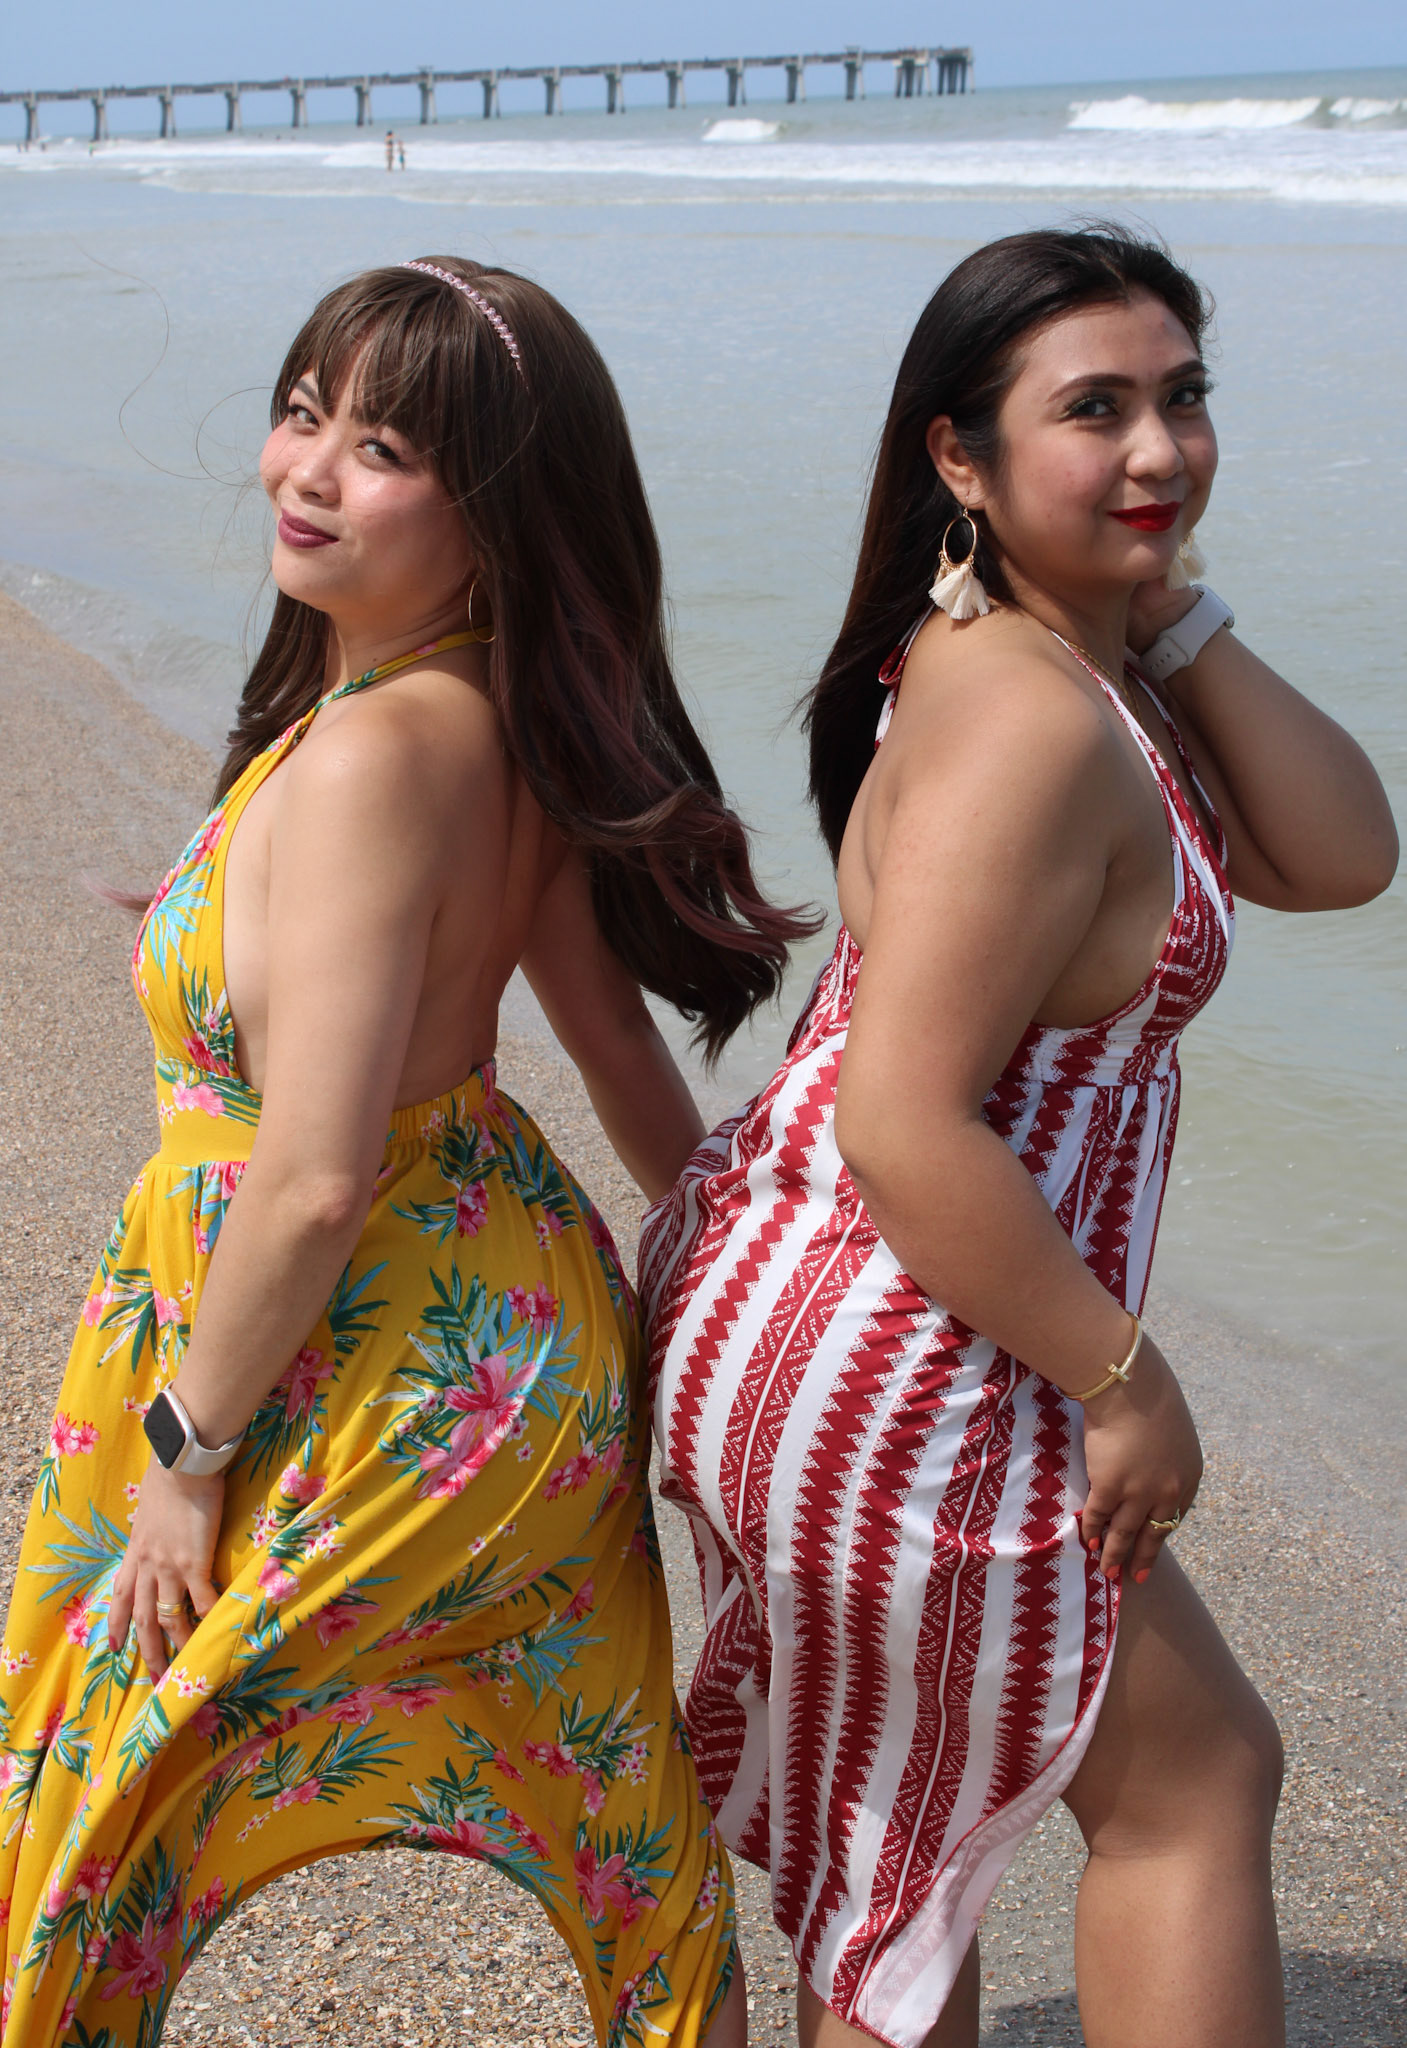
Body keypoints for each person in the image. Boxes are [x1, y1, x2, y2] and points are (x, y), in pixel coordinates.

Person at [0, 254, 815, 2046]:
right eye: (304, 414)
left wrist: (187, 1453)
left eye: (381, 449)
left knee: (93, 1785)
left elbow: (311, 1175)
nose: (307, 469)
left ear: (496, 514)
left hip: (345, 1339)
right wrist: (727, 1261)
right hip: (498, 1313)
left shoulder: (379, 754)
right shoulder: (480, 715)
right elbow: (611, 1042)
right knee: (595, 1797)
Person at [643, 225, 1398, 2048]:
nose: (1159, 448)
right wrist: (1125, 1379)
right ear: (960, 460)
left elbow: (1342, 852)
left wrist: (1174, 607)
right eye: (1096, 410)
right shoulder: (1029, 722)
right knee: (1189, 1785)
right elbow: (906, 1121)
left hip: (849, 1320)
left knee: (897, 1864)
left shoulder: (1062, 672)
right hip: (907, 1343)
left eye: (1184, 398)